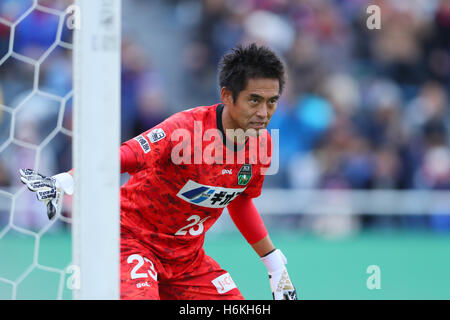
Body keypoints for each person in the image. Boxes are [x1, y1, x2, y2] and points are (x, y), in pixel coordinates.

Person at [19, 43, 297, 300]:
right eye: (254, 100)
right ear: (227, 95)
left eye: (271, 101)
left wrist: (274, 265)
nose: (264, 112)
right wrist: (68, 180)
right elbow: (126, 155)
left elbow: (240, 199)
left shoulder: (262, 143)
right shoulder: (185, 129)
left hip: (187, 261)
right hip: (130, 241)